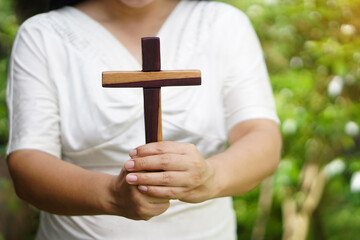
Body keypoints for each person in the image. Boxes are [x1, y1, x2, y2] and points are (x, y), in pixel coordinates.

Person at [6, 0, 282, 239]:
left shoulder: (225, 23)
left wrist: (211, 178)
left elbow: (261, 135)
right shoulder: (43, 34)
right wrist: (112, 195)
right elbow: (28, 161)